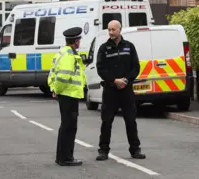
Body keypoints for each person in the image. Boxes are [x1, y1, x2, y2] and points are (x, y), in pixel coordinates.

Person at [96, 20, 146, 161]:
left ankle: (135, 150)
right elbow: (101, 68)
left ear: (120, 30)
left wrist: (126, 80)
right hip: (110, 90)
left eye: (113, 29)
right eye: (109, 30)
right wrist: (114, 80)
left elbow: (135, 67)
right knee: (106, 121)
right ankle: (103, 150)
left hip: (126, 90)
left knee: (130, 120)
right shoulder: (103, 48)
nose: (111, 32)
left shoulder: (129, 47)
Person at [47, 27, 86, 166]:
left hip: (67, 94)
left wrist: (54, 88)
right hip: (69, 95)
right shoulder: (69, 56)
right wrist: (57, 89)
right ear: (75, 41)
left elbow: (52, 73)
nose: (80, 42)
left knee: (66, 126)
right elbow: (63, 76)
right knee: (69, 127)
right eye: (79, 40)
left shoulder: (61, 53)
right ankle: (66, 158)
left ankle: (62, 157)